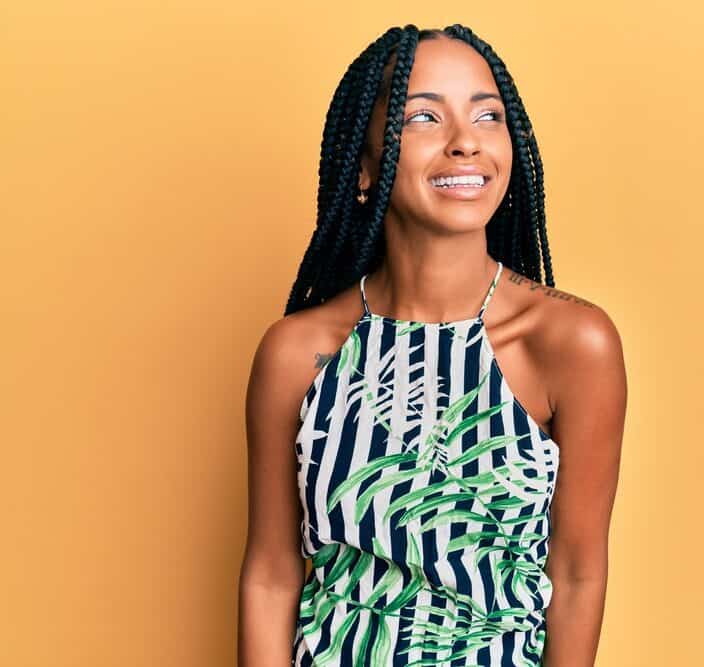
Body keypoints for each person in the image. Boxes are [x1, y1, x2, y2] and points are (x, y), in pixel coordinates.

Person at [238, 23, 627, 667]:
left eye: (487, 116)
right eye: (424, 117)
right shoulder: (297, 353)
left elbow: (579, 575)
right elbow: (271, 575)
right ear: (364, 167)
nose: (465, 142)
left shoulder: (570, 343)